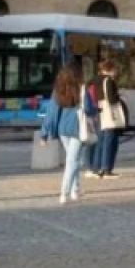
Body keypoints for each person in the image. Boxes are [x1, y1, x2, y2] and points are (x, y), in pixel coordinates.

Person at [37, 64, 88, 205]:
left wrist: (44, 134)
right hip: (77, 129)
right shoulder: (81, 90)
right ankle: (64, 192)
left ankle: (75, 189)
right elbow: (89, 109)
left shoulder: (57, 92)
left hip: (63, 130)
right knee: (72, 161)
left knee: (74, 159)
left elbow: (51, 114)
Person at [88, 58, 125, 179]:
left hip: (99, 112)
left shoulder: (94, 80)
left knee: (101, 141)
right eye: (114, 69)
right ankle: (106, 169)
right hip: (109, 114)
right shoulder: (108, 80)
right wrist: (119, 96)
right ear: (110, 69)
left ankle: (96, 168)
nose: (115, 71)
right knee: (109, 141)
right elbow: (111, 99)